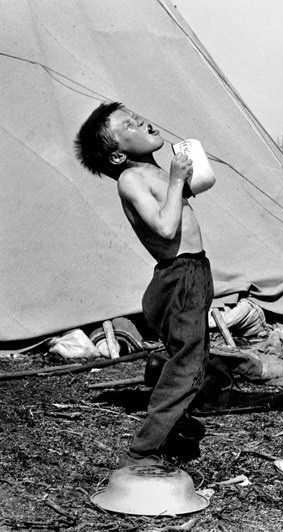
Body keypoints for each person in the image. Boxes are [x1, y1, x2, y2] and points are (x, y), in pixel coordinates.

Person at [74, 101, 213, 466]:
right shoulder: (130, 180)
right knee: (188, 365)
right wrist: (178, 179)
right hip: (179, 274)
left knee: (192, 358)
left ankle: (174, 429)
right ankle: (144, 451)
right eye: (128, 125)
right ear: (118, 156)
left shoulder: (151, 174)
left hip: (192, 273)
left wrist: (186, 177)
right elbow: (166, 230)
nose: (141, 120)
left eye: (136, 116)